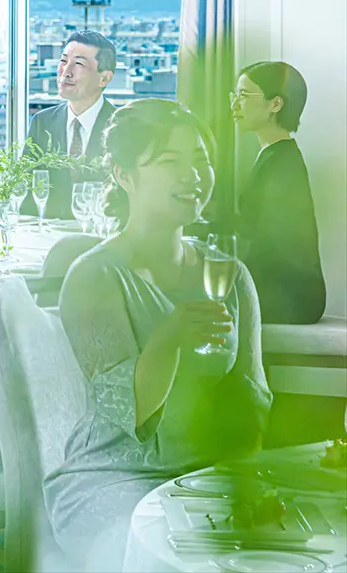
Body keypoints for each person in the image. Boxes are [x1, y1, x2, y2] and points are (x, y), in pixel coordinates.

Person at [48, 100, 271, 572]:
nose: (193, 175)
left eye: (201, 160)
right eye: (171, 161)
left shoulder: (230, 274)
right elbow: (131, 413)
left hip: (205, 477)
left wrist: (240, 482)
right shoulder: (95, 276)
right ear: (124, 175)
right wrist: (170, 335)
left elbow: (251, 396)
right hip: (114, 480)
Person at [228, 61, 324, 323]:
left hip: (290, 298)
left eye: (243, 95)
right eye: (234, 95)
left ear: (275, 104)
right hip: (281, 290)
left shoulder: (282, 163)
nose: (234, 105)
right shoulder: (275, 155)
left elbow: (270, 244)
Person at [25, 30, 118, 222]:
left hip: (102, 233)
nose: (66, 72)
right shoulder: (42, 121)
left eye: (79, 64)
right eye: (63, 61)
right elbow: (26, 189)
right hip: (48, 232)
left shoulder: (121, 125)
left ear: (104, 78)